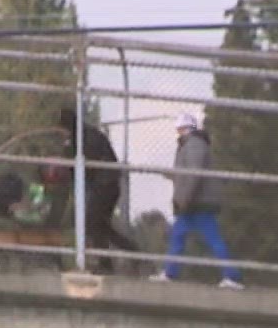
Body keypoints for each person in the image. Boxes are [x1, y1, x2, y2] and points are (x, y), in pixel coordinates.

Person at [155, 111, 241, 287]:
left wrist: (184, 200)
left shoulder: (193, 145)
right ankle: (171, 272)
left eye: (179, 129)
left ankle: (231, 276)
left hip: (196, 203)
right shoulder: (193, 144)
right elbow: (189, 174)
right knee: (181, 237)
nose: (178, 132)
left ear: (185, 128)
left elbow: (193, 175)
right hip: (195, 202)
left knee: (207, 238)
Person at [54, 105, 138, 271]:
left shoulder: (84, 137)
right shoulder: (81, 136)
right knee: (99, 225)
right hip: (104, 184)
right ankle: (131, 254)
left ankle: (110, 262)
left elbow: (84, 165)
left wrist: (68, 156)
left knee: (92, 222)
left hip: (105, 185)